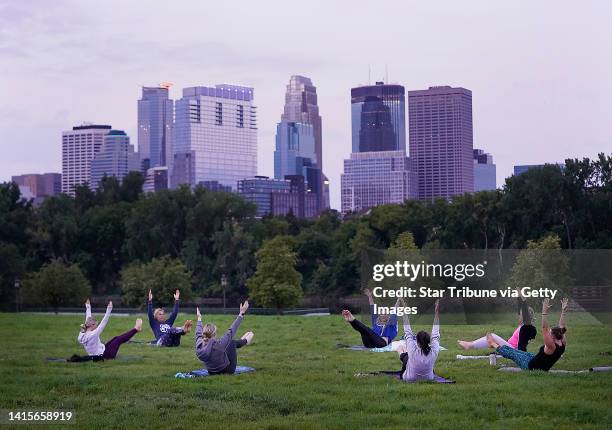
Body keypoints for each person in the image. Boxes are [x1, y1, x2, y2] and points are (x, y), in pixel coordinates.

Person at [487, 298, 569, 371]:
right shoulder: (562, 343)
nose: (549, 333)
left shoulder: (551, 346)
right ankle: (496, 344)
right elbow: (561, 327)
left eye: (550, 333)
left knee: (512, 354)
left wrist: (544, 312)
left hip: (531, 366)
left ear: (553, 336)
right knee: (515, 351)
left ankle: (493, 343)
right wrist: (563, 312)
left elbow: (544, 328)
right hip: (534, 359)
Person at [458, 289, 537, 352]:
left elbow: (524, 309)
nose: (518, 316)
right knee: (489, 339)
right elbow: (521, 307)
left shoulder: (527, 326)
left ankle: (470, 345)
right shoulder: (522, 325)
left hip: (514, 350)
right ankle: (470, 344)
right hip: (509, 345)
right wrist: (519, 297)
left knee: (492, 336)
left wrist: (522, 298)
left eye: (520, 315)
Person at [195, 300, 254, 375]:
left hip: (211, 372)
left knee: (228, 344)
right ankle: (245, 341)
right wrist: (241, 313)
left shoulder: (199, 344)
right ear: (215, 334)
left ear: (203, 334)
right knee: (231, 342)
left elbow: (198, 333)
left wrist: (199, 318)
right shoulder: (219, 344)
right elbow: (232, 330)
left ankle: (244, 341)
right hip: (227, 371)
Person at [77, 299, 142, 359]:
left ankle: (136, 329)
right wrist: (109, 309)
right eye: (96, 325)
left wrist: (88, 307)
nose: (97, 327)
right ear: (92, 325)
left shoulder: (83, 333)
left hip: (99, 352)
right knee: (118, 339)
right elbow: (103, 323)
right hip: (105, 355)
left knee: (116, 338)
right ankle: (136, 329)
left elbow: (88, 319)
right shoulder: (94, 334)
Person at [396, 299, 441, 381]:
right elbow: (435, 334)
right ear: (428, 341)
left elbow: (408, 331)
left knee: (406, 359)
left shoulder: (412, 349)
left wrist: (404, 308)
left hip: (409, 378)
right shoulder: (434, 350)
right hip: (429, 379)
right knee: (406, 357)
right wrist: (437, 312)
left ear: (416, 341)